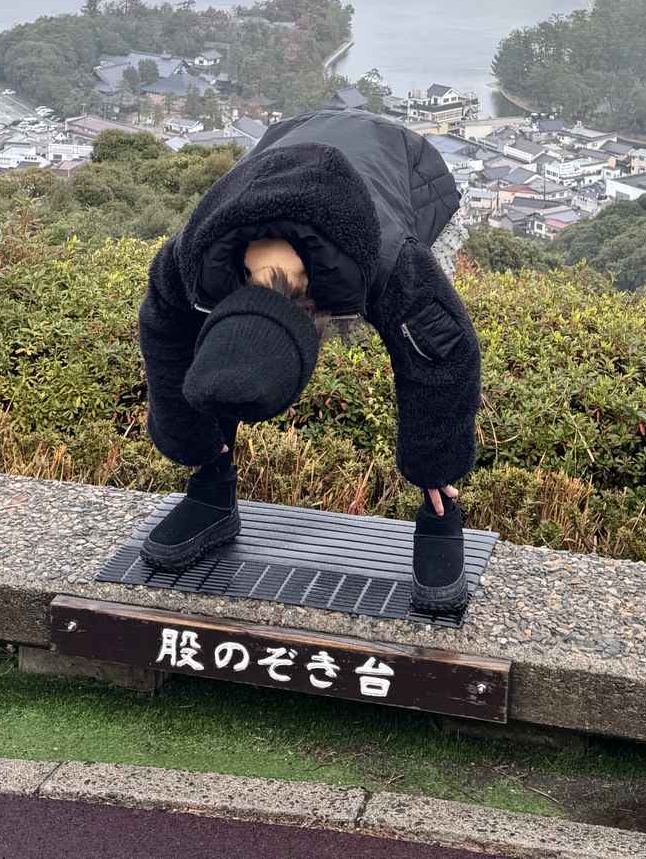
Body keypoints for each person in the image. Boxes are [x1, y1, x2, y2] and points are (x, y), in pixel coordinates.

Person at [135, 90, 480, 614]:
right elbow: (166, 333)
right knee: (229, 366)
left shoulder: (392, 263)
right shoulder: (196, 255)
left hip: (401, 164)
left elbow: (445, 357)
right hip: (290, 144)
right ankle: (212, 490)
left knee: (422, 341)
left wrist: (435, 466)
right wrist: (194, 444)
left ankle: (440, 511)